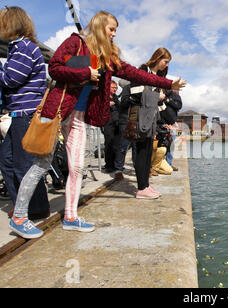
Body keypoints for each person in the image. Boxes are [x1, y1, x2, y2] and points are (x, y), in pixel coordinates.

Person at [9, 11, 186, 239]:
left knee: (78, 167)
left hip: (79, 117)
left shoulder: (109, 58)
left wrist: (169, 83)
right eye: (111, 29)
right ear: (100, 26)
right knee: (41, 163)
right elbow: (54, 68)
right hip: (57, 112)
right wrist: (85, 73)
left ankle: (71, 217)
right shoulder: (75, 42)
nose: (114, 33)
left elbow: (137, 74)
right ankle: (20, 217)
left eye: (115, 30)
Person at [0, 6, 51, 221]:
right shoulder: (19, 48)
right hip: (18, 113)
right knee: (7, 161)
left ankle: (36, 209)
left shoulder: (24, 47)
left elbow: (11, 79)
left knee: (23, 165)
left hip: (25, 113)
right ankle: (24, 205)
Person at [121, 47, 177, 199]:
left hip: (149, 118)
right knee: (141, 152)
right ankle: (141, 188)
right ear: (158, 59)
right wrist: (156, 96)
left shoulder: (155, 76)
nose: (166, 65)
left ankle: (145, 184)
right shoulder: (143, 70)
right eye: (165, 62)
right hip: (140, 117)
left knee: (147, 153)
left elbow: (157, 102)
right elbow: (134, 92)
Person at [102, 80, 127, 179]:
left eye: (116, 88)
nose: (115, 89)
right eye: (113, 87)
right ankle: (109, 165)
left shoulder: (116, 97)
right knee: (108, 143)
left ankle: (116, 165)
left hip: (117, 122)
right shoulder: (104, 97)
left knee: (117, 144)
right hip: (108, 123)